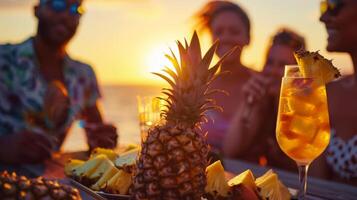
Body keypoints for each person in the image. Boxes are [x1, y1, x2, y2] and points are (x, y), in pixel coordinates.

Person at [0, 0, 118, 164]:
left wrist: (102, 139)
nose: (65, 15)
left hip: (50, 186)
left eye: (74, 8)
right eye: (57, 4)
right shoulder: (4, 59)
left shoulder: (84, 74)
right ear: (36, 10)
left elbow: (95, 130)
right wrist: (4, 147)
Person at [223, 28, 306, 171]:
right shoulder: (262, 102)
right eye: (269, 62)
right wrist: (246, 103)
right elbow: (230, 149)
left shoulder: (307, 110)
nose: (273, 70)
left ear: (299, 72)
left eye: (282, 65)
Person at [195, 0, 252, 152]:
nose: (225, 37)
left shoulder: (258, 85)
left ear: (248, 38)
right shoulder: (199, 86)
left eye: (234, 31)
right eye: (219, 32)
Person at [319, 0, 357, 185]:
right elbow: (316, 181)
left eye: (333, 5)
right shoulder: (330, 91)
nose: (322, 17)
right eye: (323, 6)